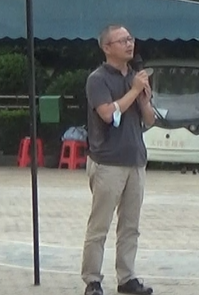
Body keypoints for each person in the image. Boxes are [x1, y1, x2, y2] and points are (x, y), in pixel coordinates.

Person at [82, 25, 155, 295]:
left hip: (135, 159)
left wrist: (144, 99)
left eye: (130, 39)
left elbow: (149, 120)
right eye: (122, 40)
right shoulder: (98, 79)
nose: (129, 44)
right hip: (107, 161)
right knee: (99, 225)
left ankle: (127, 277)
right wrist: (134, 91)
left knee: (130, 225)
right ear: (107, 47)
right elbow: (108, 115)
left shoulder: (136, 77)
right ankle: (92, 279)